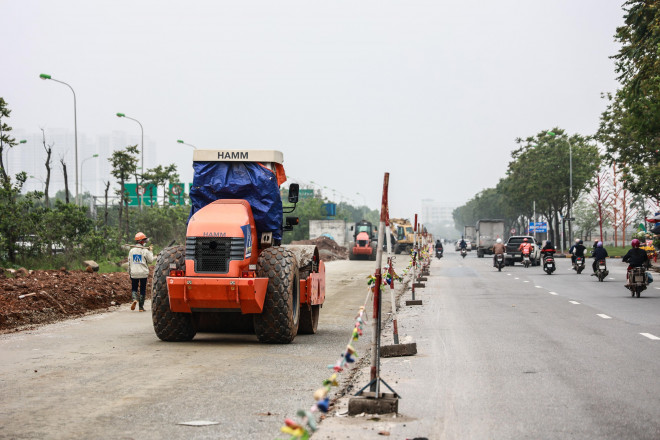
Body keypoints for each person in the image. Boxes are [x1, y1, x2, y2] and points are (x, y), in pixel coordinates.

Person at [128, 232, 154, 312]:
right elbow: (150, 261)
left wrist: (130, 273)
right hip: (143, 273)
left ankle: (135, 299)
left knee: (134, 288)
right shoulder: (145, 251)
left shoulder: (131, 251)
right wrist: (150, 251)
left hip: (134, 273)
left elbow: (129, 262)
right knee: (143, 289)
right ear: (142, 242)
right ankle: (141, 308)